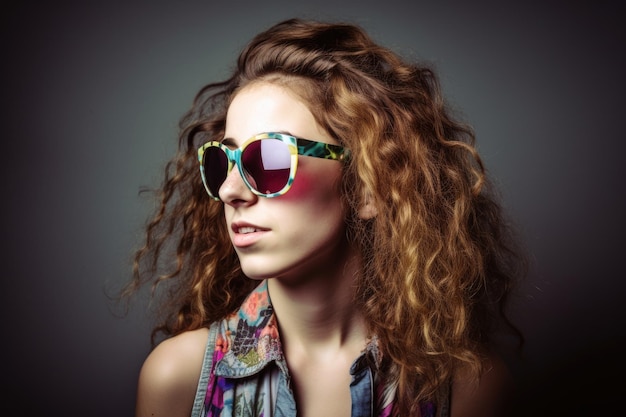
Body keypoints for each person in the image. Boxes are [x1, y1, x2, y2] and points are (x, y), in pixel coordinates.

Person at [123, 18, 525, 417]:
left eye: (268, 159)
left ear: (367, 186)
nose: (230, 191)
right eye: (222, 161)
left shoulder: (466, 390)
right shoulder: (178, 379)